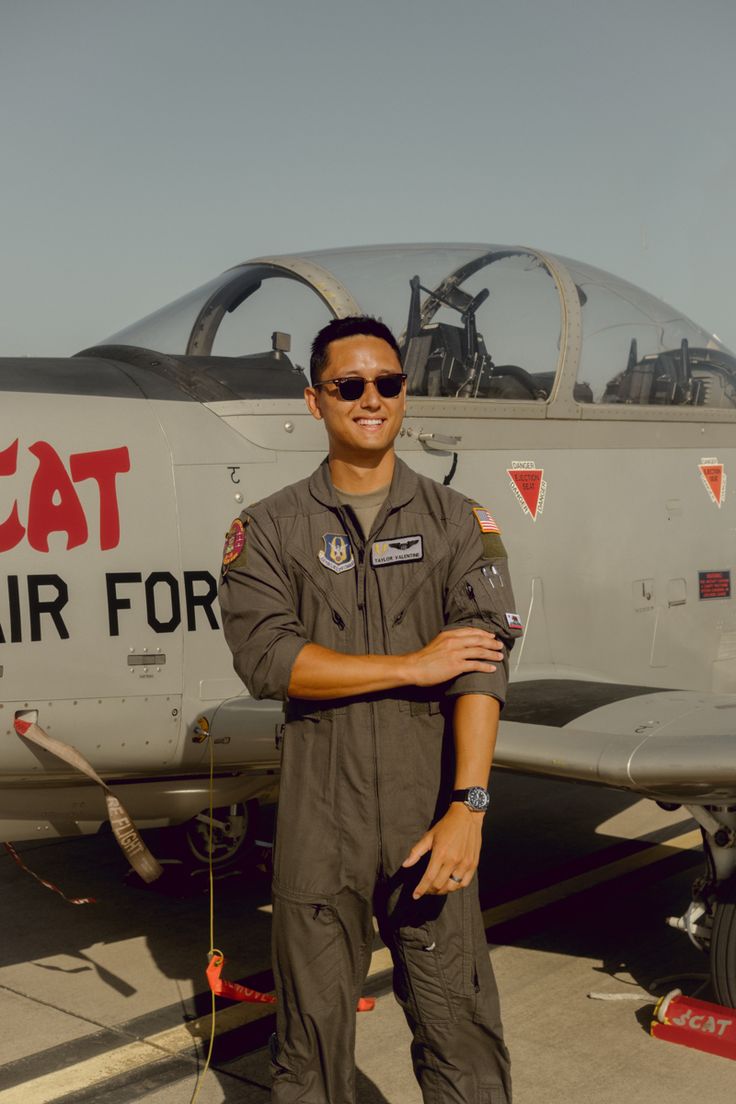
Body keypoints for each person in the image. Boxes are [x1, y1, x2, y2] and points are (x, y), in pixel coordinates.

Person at [219, 316, 522, 1104]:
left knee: (466, 1044)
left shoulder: (458, 521)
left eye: (386, 383)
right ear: (314, 398)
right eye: (348, 386)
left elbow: (483, 670)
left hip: (432, 817)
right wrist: (414, 664)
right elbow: (269, 660)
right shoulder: (269, 530)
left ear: (404, 393)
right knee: (311, 1053)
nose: (370, 399)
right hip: (322, 827)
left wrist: (470, 807)